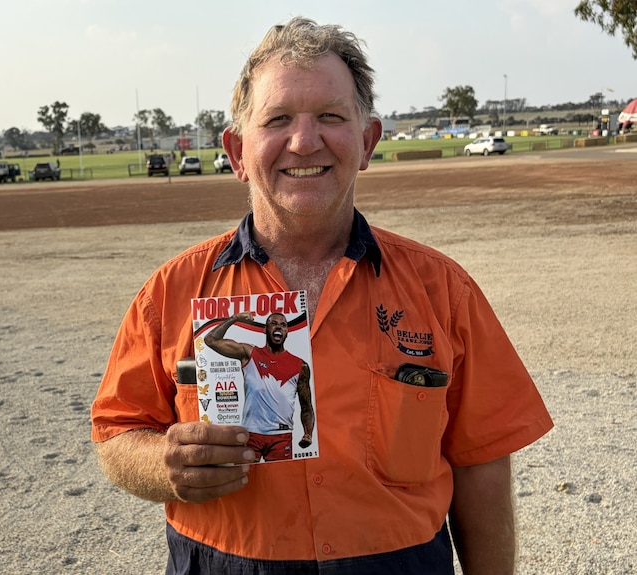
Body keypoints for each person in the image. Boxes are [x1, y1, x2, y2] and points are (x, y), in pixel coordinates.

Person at [91, 16, 553, 574]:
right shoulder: (171, 293)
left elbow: (482, 465)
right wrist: (165, 464)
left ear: (367, 141)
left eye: (330, 117)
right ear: (237, 152)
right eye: (278, 119)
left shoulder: (444, 292)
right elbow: (116, 434)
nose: (304, 141)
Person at [203, 312, 314, 461]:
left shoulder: (301, 366)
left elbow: (306, 406)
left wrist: (308, 434)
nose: (279, 327)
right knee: (247, 480)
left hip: (281, 437)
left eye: (283, 325)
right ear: (265, 329)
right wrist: (235, 319)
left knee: (281, 481)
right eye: (274, 323)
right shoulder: (249, 353)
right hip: (251, 434)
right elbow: (210, 340)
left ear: (287, 332)